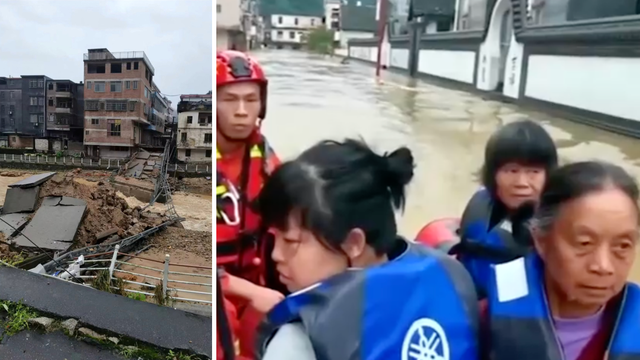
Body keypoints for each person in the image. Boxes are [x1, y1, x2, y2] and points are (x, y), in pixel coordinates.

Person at [254, 139, 480, 360]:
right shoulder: (452, 276)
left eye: (291, 241)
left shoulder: (298, 341)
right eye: (275, 238)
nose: (276, 254)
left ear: (353, 243)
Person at [483, 161, 640, 360]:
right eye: (584, 243)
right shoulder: (479, 322)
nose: (603, 266)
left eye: (623, 246)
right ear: (541, 240)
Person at [216, 50, 283, 359]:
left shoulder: (268, 162)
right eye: (230, 100)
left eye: (251, 99)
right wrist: (254, 294)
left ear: (262, 105)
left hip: (259, 286)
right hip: (221, 292)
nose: (242, 111)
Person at [450, 120, 558, 297]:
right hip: (469, 300)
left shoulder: (560, 223)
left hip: (516, 316)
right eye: (511, 171)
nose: (521, 183)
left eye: (533, 172)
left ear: (548, 176)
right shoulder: (481, 203)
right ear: (493, 174)